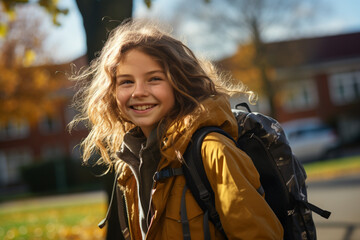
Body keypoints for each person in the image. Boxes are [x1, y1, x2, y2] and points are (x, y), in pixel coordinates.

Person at [69, 19, 284, 239]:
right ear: (111, 92)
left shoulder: (214, 152)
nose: (138, 92)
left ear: (179, 83)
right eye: (126, 82)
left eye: (154, 79)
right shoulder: (129, 165)